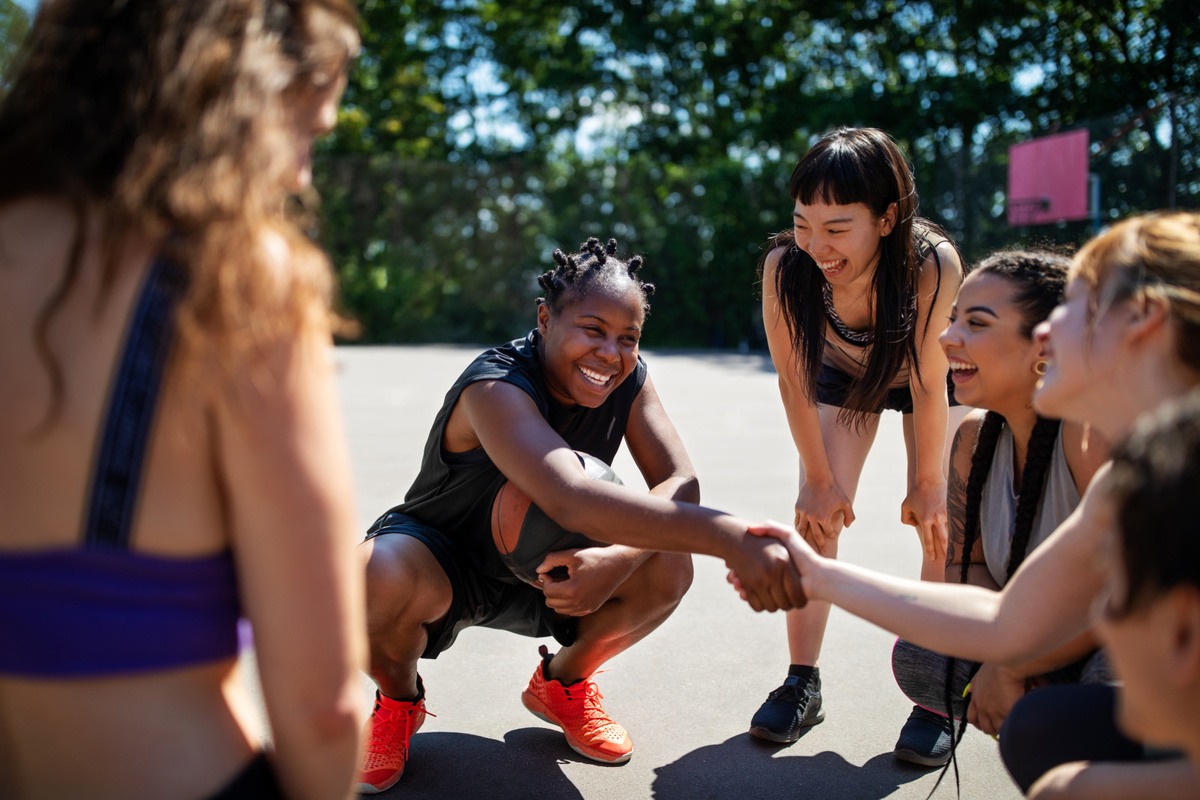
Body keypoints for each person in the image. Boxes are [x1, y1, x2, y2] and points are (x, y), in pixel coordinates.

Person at [0, 2, 365, 799]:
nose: (302, 173)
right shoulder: (234, 280)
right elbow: (324, 705)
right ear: (241, 97)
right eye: (305, 132)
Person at [741, 211, 1200, 796]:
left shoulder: (1134, 458)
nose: (1048, 333)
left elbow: (1072, 617)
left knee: (1094, 688)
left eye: (1072, 310)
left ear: (1143, 323)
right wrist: (817, 576)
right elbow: (1013, 623)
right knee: (1013, 714)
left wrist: (1015, 666)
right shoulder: (1128, 468)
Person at [357, 236, 806, 794]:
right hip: (440, 560)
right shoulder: (494, 385)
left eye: (628, 338)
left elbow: (681, 481)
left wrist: (618, 560)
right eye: (593, 330)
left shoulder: (630, 381)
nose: (611, 354)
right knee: (373, 571)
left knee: (668, 564)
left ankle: (562, 685)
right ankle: (399, 703)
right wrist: (734, 537)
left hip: (551, 567)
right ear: (545, 319)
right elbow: (567, 496)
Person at [752, 126, 966, 743]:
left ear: (887, 217)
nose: (816, 244)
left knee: (941, 526)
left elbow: (929, 384)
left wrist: (927, 485)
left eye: (837, 228)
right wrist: (819, 482)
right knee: (815, 521)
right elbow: (794, 384)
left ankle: (934, 694)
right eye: (802, 223)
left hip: (923, 373)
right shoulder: (785, 267)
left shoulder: (930, 262)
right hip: (842, 377)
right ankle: (801, 682)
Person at [890, 250, 1107, 768]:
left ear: (1045, 347)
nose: (946, 338)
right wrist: (997, 652)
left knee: (1112, 680)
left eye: (976, 323)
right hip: (1042, 629)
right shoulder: (974, 437)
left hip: (1126, 629)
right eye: (952, 320)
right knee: (922, 653)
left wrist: (1010, 668)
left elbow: (1125, 596)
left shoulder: (1089, 432)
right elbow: (973, 570)